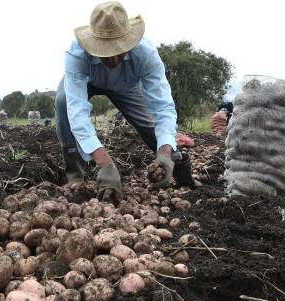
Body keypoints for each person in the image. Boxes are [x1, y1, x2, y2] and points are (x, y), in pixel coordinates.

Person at [55, 1, 194, 202]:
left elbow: (162, 106)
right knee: (63, 102)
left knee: (148, 126)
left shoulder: (145, 54)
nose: (111, 61)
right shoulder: (76, 54)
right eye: (105, 52)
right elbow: (77, 111)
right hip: (89, 82)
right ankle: (75, 175)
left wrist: (164, 152)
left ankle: (175, 164)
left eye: (117, 51)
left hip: (126, 86)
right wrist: (105, 164)